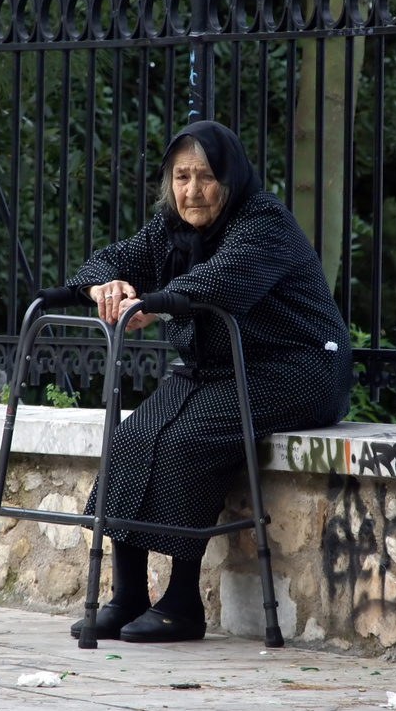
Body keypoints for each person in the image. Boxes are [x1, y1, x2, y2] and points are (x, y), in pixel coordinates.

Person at [64, 120, 352, 643]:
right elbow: (108, 259)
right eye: (181, 177)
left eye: (205, 177)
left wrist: (153, 302)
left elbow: (222, 283)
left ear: (229, 178)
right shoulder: (168, 228)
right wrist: (105, 286)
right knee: (130, 438)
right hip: (214, 370)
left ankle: (182, 604)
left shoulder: (263, 222)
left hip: (296, 367)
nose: (192, 190)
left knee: (185, 441)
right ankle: (127, 596)